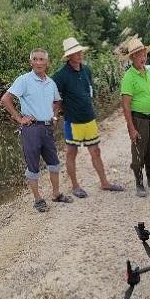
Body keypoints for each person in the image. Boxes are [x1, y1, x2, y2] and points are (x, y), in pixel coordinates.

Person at [0, 48, 73, 212]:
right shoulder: (24, 80)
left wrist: (54, 117)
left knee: (54, 163)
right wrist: (19, 118)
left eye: (42, 60)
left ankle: (56, 194)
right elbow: (6, 99)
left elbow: (57, 101)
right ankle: (38, 199)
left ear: (47, 63)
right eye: (36, 59)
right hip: (31, 129)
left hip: (47, 127)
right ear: (31, 62)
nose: (39, 62)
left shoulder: (50, 82)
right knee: (33, 166)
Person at [52, 37, 124, 199]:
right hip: (72, 121)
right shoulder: (60, 76)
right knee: (71, 153)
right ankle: (75, 186)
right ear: (69, 56)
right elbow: (56, 98)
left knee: (96, 151)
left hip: (89, 119)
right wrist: (60, 113)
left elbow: (90, 92)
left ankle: (104, 182)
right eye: (75, 53)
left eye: (79, 51)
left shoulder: (87, 70)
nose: (79, 54)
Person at [120, 37, 150, 197]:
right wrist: (131, 128)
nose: (143, 57)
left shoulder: (148, 73)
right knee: (139, 152)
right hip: (139, 119)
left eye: (144, 54)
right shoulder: (129, 76)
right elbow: (125, 105)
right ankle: (139, 184)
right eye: (139, 54)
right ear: (132, 57)